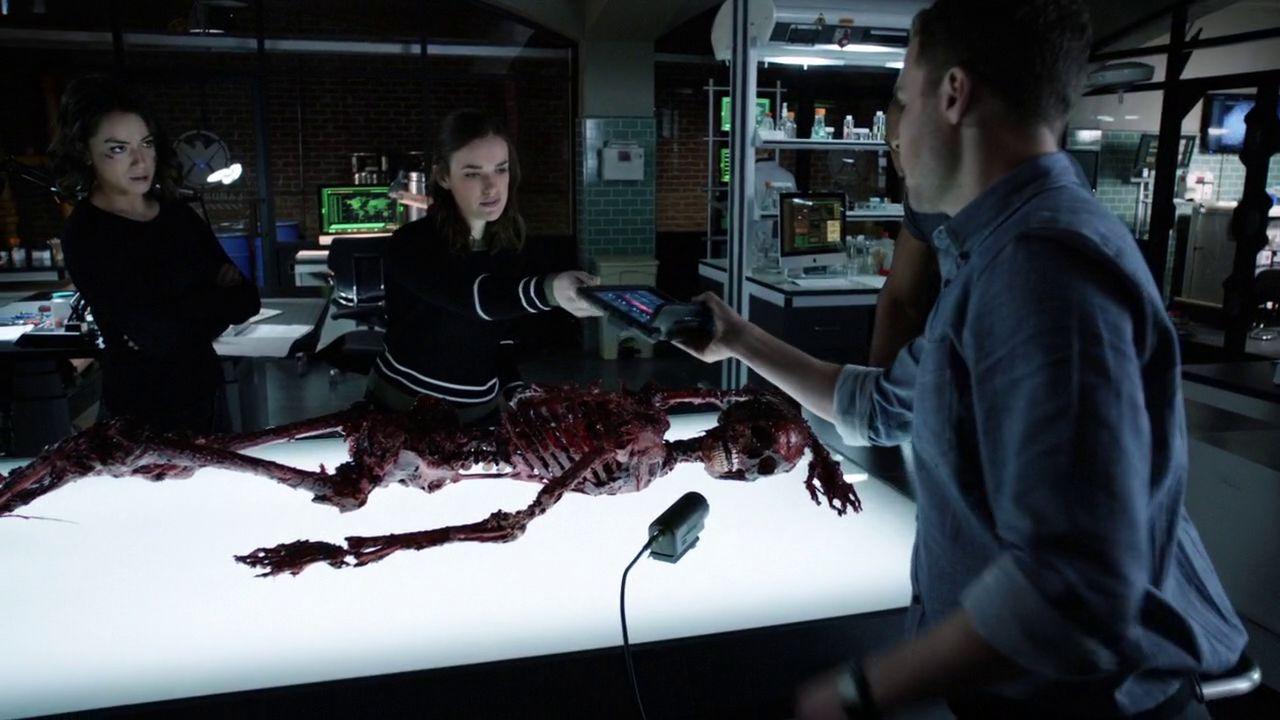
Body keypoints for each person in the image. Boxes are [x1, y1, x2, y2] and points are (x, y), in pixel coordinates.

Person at [678, 1, 1248, 718]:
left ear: (953, 95)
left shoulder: (1042, 265)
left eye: (903, 98)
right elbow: (881, 407)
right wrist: (737, 338)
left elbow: (1073, 583)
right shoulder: (996, 257)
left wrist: (858, 692)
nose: (895, 132)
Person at [50, 76, 261, 434]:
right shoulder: (86, 232)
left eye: (146, 143)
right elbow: (159, 337)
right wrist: (214, 299)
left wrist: (176, 316)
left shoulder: (177, 213)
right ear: (85, 151)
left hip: (207, 393)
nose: (140, 160)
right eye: (119, 148)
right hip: (141, 412)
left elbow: (247, 302)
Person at [367, 109, 600, 424]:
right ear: (444, 177)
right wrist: (550, 291)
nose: (492, 187)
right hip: (400, 414)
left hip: (480, 414)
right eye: (473, 173)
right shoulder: (410, 244)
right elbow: (475, 298)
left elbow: (499, 338)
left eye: (501, 169)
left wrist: (516, 392)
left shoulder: (509, 248)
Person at [867, 97, 948, 368]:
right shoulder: (924, 203)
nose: (899, 168)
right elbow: (899, 300)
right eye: (891, 148)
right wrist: (878, 380)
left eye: (901, 146)